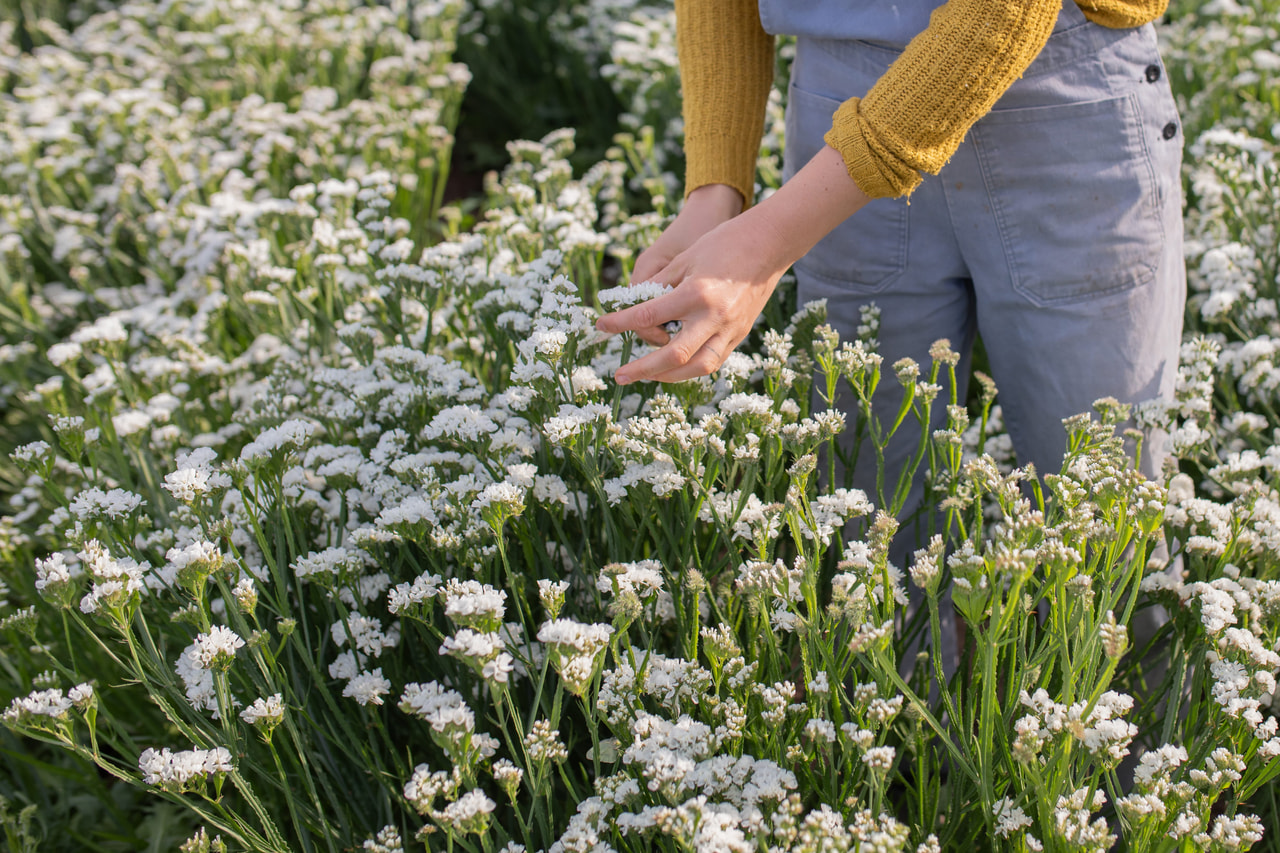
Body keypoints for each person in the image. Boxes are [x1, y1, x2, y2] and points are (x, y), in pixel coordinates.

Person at [595, 0, 1184, 492]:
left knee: (1101, 510)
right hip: (839, 101)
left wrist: (766, 242)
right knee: (871, 534)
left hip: (1055, 86)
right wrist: (713, 193)